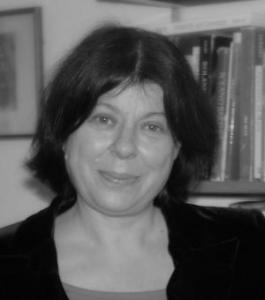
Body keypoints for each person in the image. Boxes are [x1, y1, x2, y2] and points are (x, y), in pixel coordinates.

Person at [0, 24, 264, 300]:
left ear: (177, 146)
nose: (124, 147)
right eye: (104, 120)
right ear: (64, 134)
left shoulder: (248, 245)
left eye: (152, 127)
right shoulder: (7, 260)